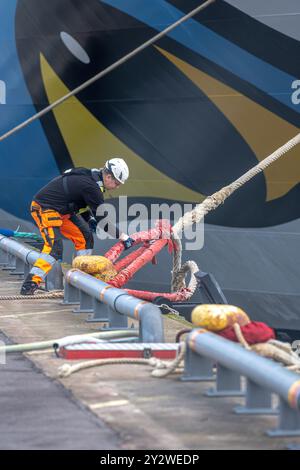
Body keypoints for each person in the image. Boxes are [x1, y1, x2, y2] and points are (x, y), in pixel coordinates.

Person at [20, 158, 133, 295]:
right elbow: (103, 221)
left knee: (85, 237)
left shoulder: (90, 176)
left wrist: (89, 218)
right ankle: (30, 283)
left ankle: (80, 279)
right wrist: (123, 237)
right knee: (54, 248)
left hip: (62, 211)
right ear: (108, 176)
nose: (117, 187)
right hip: (44, 208)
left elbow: (77, 199)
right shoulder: (92, 187)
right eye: (116, 183)